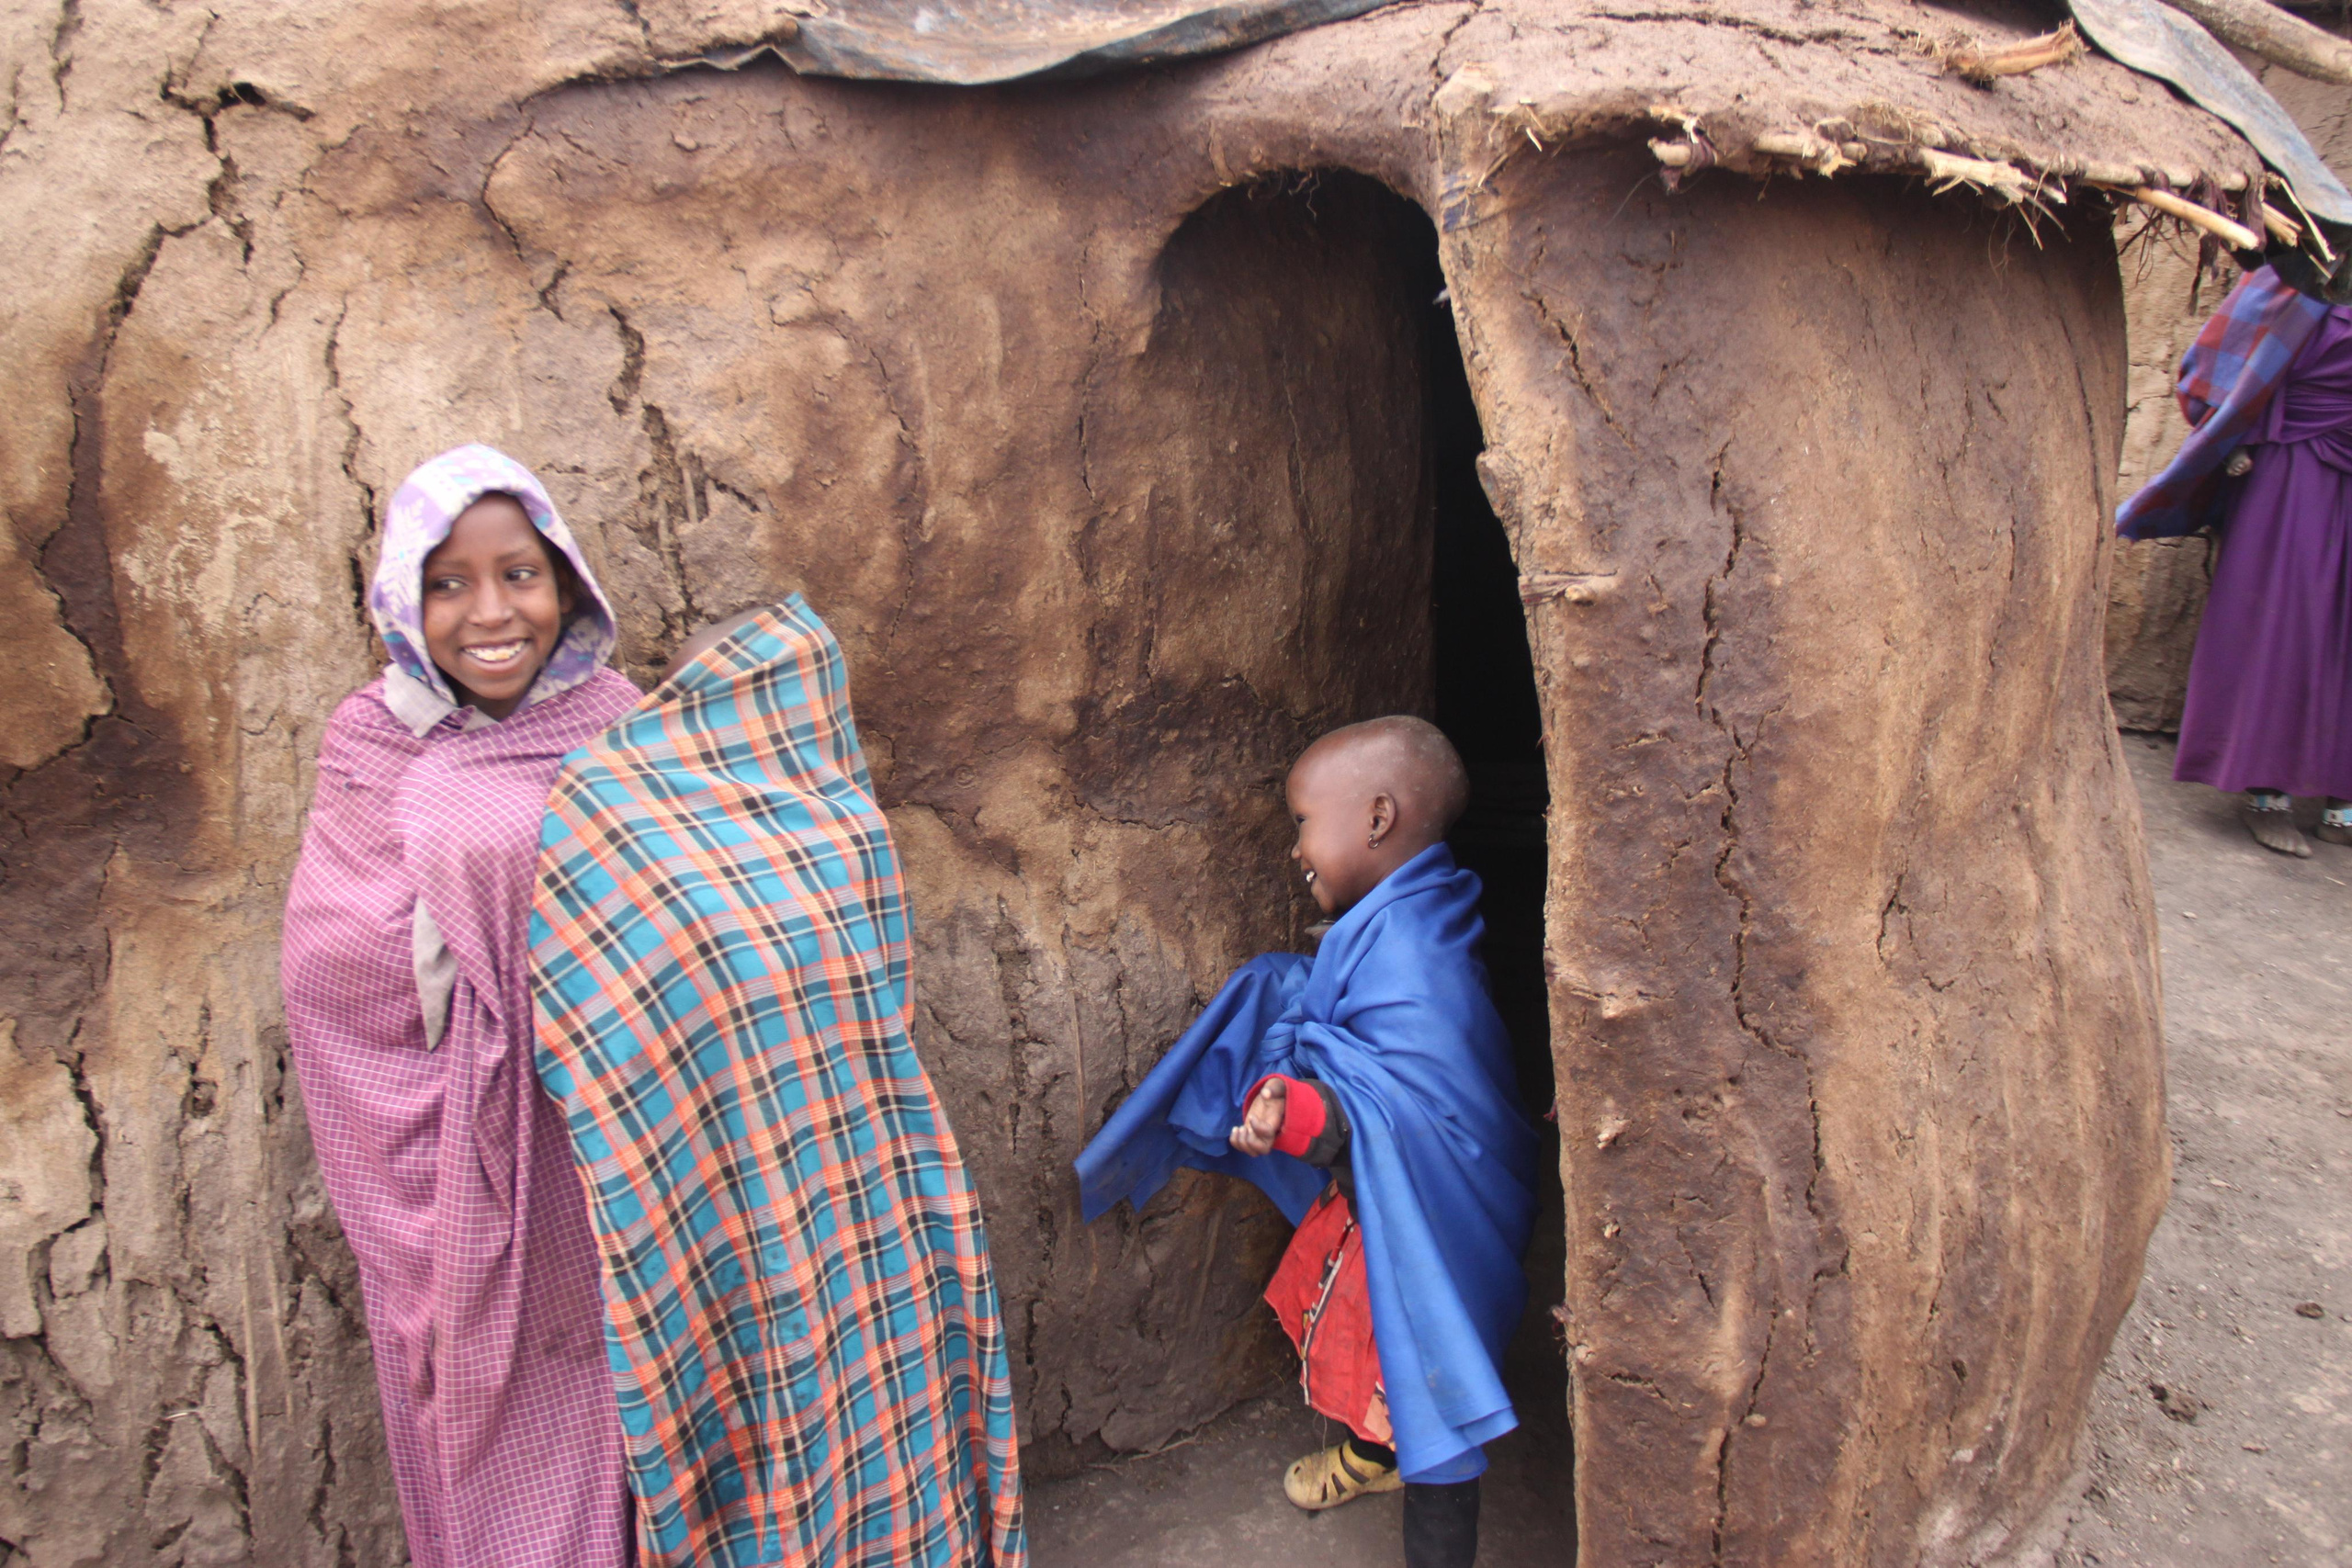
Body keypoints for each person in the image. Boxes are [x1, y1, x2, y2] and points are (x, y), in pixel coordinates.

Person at [529, 602, 1027, 1568]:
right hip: (717, 1202)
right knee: (770, 1420)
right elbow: (603, 1025)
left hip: (869, 1187)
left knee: (891, 1406)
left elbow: (873, 1005)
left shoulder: (838, 819)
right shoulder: (612, 821)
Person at [280, 445, 644, 1567]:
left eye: (519, 574)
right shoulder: (370, 745)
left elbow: (681, 926)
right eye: (449, 582)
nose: (491, 611)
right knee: (480, 1393)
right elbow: (333, 973)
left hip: (603, 1166)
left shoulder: (621, 730)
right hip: (448, 1183)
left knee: (621, 1404)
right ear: (404, 597)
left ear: (568, 585)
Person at [1074, 716, 1536, 1568]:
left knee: (1430, 1381)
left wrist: (1300, 1106)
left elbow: (1393, 1108)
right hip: (1390, 1202)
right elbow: (1361, 1056)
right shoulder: (1412, 912)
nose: (1295, 849)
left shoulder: (1419, 960)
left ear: (1375, 818)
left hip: (1441, 1218)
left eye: (1301, 822)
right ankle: (1370, 1459)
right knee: (1377, 1370)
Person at [2118, 264, 2352, 857]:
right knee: (2284, 624)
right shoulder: (2299, 274)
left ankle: (2340, 800)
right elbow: (2215, 360)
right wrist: (2237, 434)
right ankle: (2266, 792)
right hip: (2294, 466)